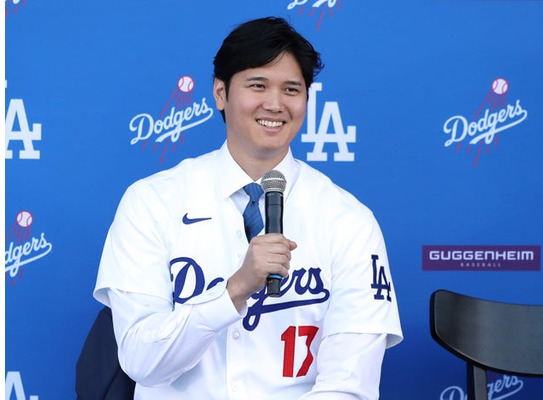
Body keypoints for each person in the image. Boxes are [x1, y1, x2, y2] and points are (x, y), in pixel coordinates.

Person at [93, 16, 402, 400]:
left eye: (292, 89)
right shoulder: (151, 201)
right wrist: (234, 291)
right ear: (220, 93)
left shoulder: (348, 220)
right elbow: (141, 361)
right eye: (258, 85)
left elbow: (349, 386)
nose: (275, 104)